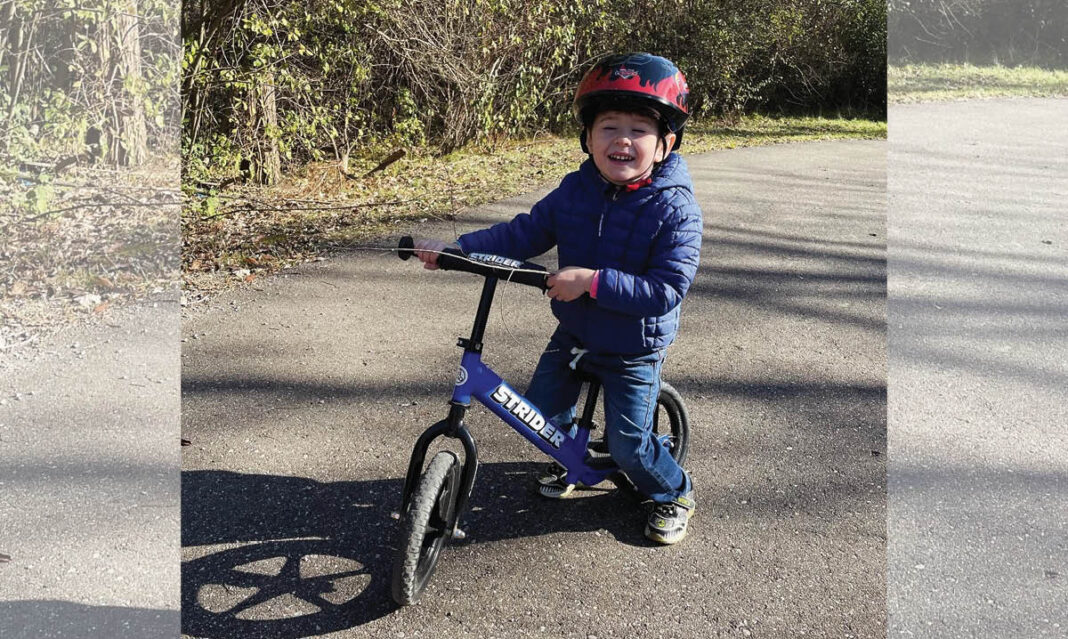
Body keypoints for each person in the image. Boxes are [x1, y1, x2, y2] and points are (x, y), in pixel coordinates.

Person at [413, 53, 702, 545]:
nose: (623, 140)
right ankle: (573, 458)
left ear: (664, 145)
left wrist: (592, 282)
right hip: (576, 331)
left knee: (629, 446)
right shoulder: (576, 190)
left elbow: (667, 289)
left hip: (634, 344)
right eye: (609, 126)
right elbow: (525, 232)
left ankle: (673, 491)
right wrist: (459, 251)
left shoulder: (675, 208)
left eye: (639, 129)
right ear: (588, 138)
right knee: (541, 414)